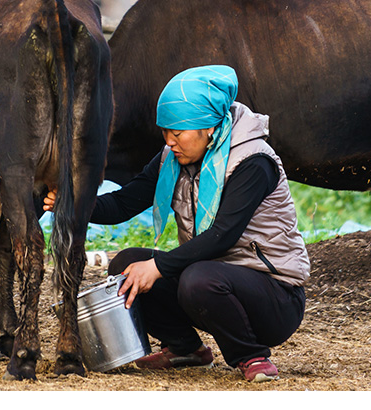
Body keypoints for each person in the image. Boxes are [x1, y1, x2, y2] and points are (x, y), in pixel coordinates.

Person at [45, 65, 310, 383]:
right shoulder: (173, 158)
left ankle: (252, 357)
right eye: (165, 132)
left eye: (177, 132)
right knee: (127, 263)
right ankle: (186, 348)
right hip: (214, 282)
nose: (169, 142)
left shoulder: (253, 162)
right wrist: (75, 204)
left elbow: (221, 236)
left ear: (209, 126)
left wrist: (157, 266)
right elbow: (123, 203)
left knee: (194, 277)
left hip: (274, 299)